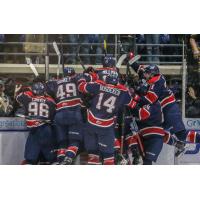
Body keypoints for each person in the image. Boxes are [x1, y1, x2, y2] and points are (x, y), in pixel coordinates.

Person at [78, 72, 137, 165]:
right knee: (108, 155)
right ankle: (117, 156)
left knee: (93, 154)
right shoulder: (122, 92)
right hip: (106, 127)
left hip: (91, 124)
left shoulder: (98, 86)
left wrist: (83, 77)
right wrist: (125, 89)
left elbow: (81, 87)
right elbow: (133, 104)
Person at [46, 67, 84, 164]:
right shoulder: (77, 78)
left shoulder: (55, 82)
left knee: (62, 142)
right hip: (74, 113)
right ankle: (68, 158)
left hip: (59, 115)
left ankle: (60, 161)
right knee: (74, 140)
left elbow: (48, 89)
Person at [16, 82, 56, 164]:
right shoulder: (50, 100)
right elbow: (53, 114)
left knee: (30, 158)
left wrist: (28, 90)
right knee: (52, 158)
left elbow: (18, 97)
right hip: (46, 128)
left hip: (34, 130)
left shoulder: (28, 98)